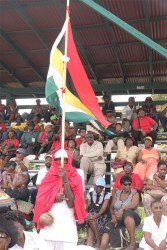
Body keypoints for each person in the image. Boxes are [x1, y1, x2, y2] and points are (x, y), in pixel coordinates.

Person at [34, 148, 86, 250]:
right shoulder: (48, 176)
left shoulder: (76, 176)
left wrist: (66, 180)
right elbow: (40, 200)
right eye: (58, 159)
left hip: (66, 222)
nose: (61, 162)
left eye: (64, 159)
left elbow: (71, 203)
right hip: (49, 222)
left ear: (69, 160)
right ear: (54, 160)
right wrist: (54, 198)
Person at [100, 176, 141, 250]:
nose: (128, 186)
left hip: (133, 218)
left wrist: (122, 209)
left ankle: (132, 243)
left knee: (127, 212)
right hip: (118, 218)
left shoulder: (134, 193)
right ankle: (102, 248)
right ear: (121, 185)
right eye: (125, 184)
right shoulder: (117, 193)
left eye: (129, 184)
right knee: (109, 226)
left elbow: (133, 206)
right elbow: (111, 207)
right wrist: (113, 215)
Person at [86, 177, 110, 249]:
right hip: (92, 214)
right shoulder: (90, 194)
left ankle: (98, 241)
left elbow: (103, 209)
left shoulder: (106, 195)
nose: (100, 188)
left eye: (101, 187)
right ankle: (98, 240)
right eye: (98, 186)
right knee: (91, 221)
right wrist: (89, 215)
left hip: (102, 215)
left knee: (92, 222)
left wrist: (94, 216)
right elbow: (88, 208)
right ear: (95, 186)